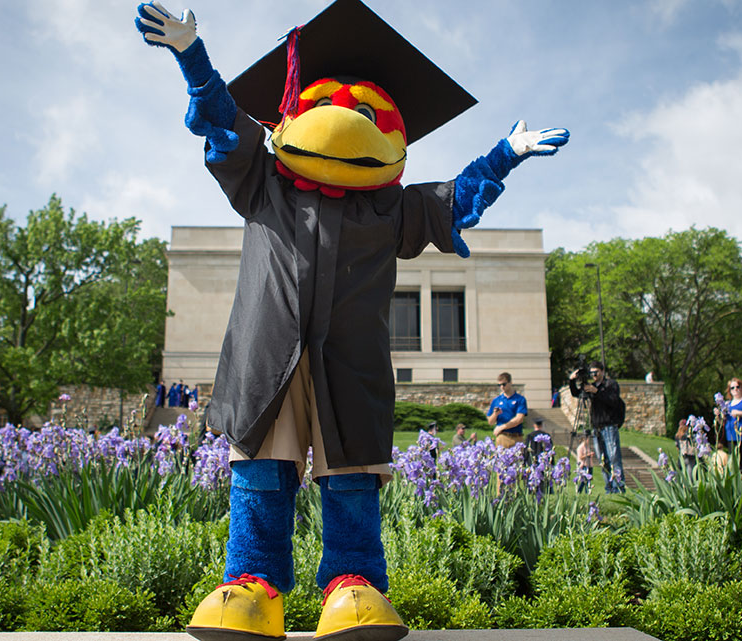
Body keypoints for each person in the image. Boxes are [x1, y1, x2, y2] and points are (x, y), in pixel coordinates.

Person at [136, 1, 569, 638]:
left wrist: (505, 153)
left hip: (350, 367)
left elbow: (455, 198)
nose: (342, 121)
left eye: (365, 113)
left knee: (352, 482)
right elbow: (225, 124)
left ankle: (352, 584)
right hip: (268, 358)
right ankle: (253, 585)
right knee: (262, 473)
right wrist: (192, 57)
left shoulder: (389, 211)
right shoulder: (264, 184)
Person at [569, 361, 626, 493]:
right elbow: (577, 393)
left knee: (613, 457)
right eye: (592, 373)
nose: (594, 375)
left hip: (609, 426)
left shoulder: (610, 385)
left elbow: (613, 401)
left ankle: (618, 486)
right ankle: (609, 487)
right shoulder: (591, 386)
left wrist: (597, 392)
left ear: (602, 371)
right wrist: (572, 380)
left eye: (596, 372)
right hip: (597, 427)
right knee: (602, 459)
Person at [487, 372, 528, 449]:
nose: (502, 387)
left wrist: (501, 427)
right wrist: (495, 414)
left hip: (517, 437)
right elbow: (490, 422)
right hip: (502, 437)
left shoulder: (520, 399)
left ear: (510, 382)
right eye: (499, 385)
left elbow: (519, 419)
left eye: (504, 384)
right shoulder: (496, 400)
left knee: (518, 460)